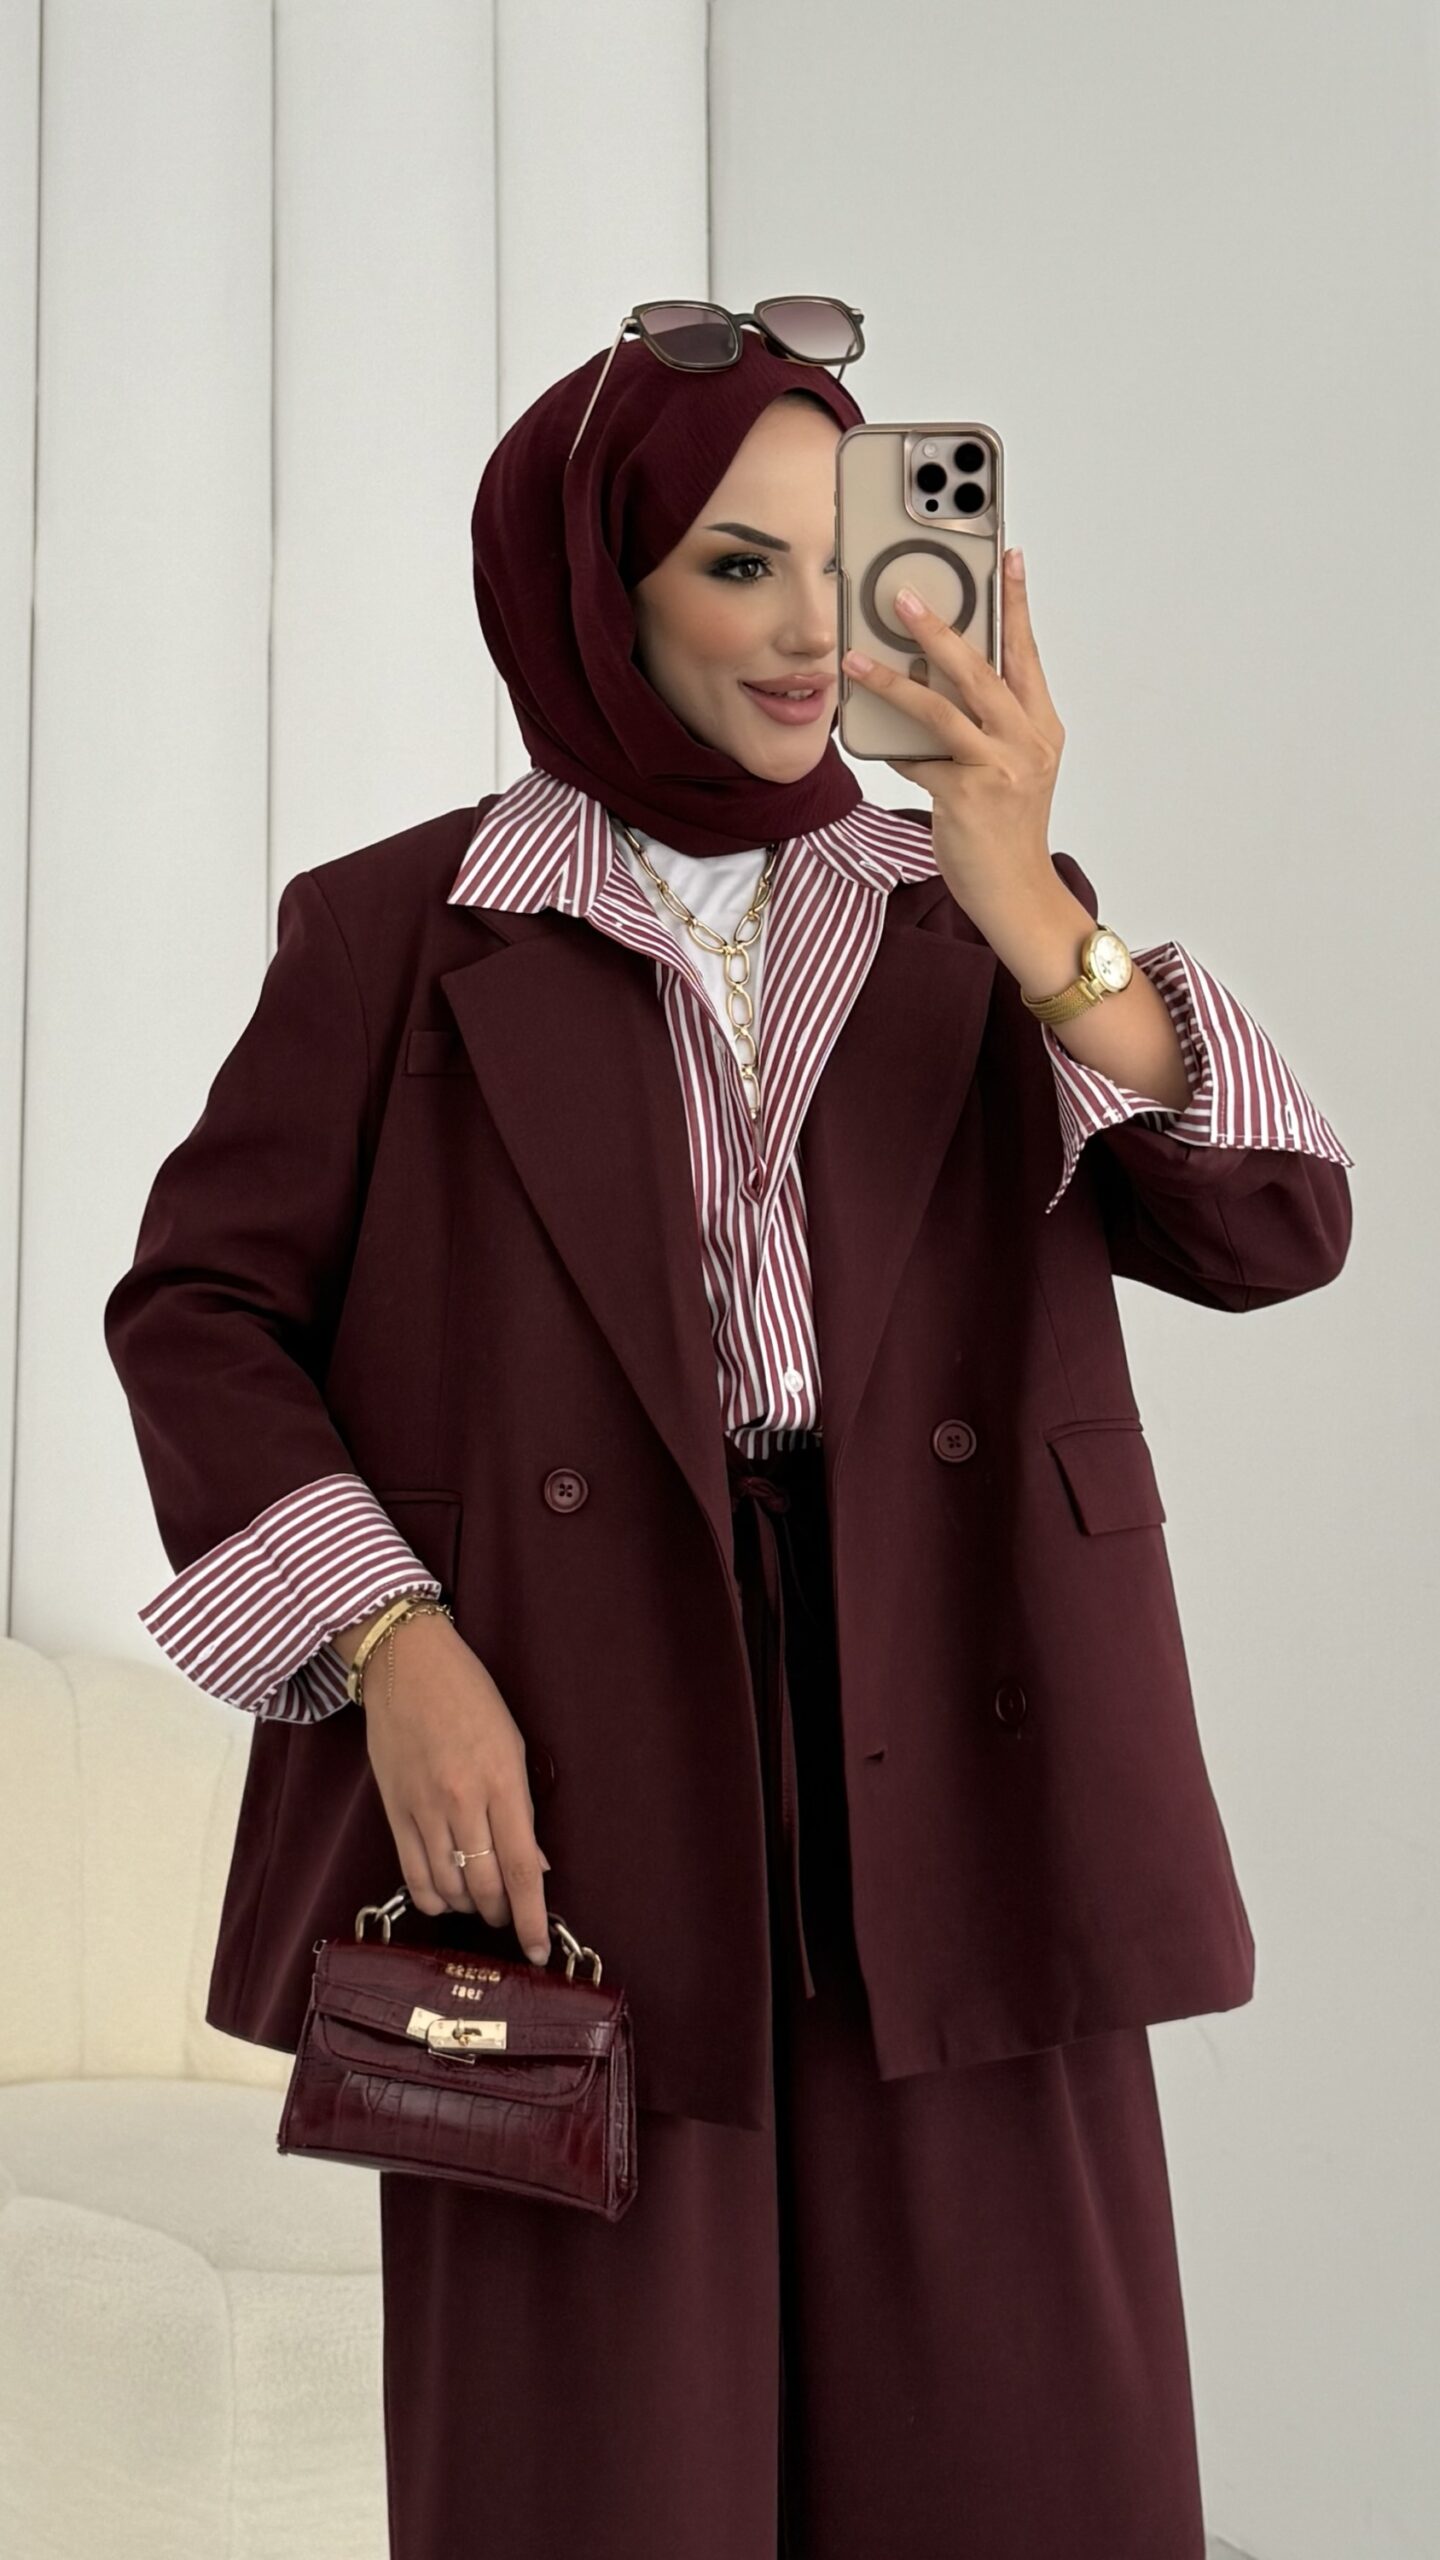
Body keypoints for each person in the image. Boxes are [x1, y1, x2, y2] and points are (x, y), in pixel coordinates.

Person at [104, 317, 1353, 2558]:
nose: (806, 633)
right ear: (598, 589)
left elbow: (1278, 1227)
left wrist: (1028, 896)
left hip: (968, 1717)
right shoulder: (400, 927)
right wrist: (392, 1638)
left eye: (841, 564)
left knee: (1019, 2457)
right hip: (569, 1745)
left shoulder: (975, 907)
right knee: (600, 2477)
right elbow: (200, 1314)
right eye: (732, 564)